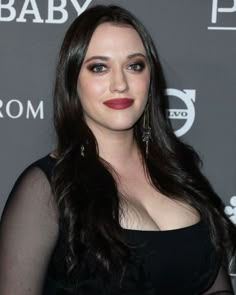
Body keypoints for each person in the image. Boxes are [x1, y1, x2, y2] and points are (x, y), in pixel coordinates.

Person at [0, 4, 235, 295]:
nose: (120, 84)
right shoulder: (47, 188)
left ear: (150, 79)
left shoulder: (179, 172)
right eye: (99, 67)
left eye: (134, 65)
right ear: (73, 81)